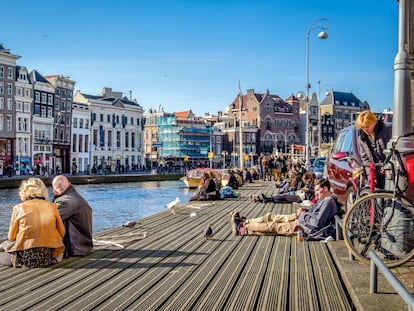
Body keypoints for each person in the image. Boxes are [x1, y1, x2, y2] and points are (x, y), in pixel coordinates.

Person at [233, 178, 337, 237]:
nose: (315, 193)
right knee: (271, 217)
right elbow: (313, 213)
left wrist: (303, 215)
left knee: (274, 226)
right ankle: (246, 225)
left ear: (326, 188)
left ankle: (243, 227)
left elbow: (317, 223)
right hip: (302, 221)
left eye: (317, 190)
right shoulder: (323, 200)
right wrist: (304, 211)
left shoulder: (328, 203)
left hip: (304, 228)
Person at [0, 178, 65, 268]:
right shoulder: (52, 207)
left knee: (4, 248)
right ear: (43, 190)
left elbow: (11, 237)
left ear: (24, 191)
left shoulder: (18, 208)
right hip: (47, 257)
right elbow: (62, 233)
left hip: (24, 258)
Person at [52, 175, 93, 257]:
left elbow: (50, 221)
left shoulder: (63, 202)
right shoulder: (77, 197)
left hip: (74, 249)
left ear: (55, 191)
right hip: (84, 246)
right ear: (69, 184)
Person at [355, 110, 391, 189]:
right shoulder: (362, 139)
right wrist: (371, 175)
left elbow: (393, 151)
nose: (365, 130)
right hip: (375, 173)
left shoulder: (386, 131)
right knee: (377, 198)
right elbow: (365, 158)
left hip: (389, 171)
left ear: (374, 122)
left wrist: (387, 166)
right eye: (363, 128)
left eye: (367, 126)